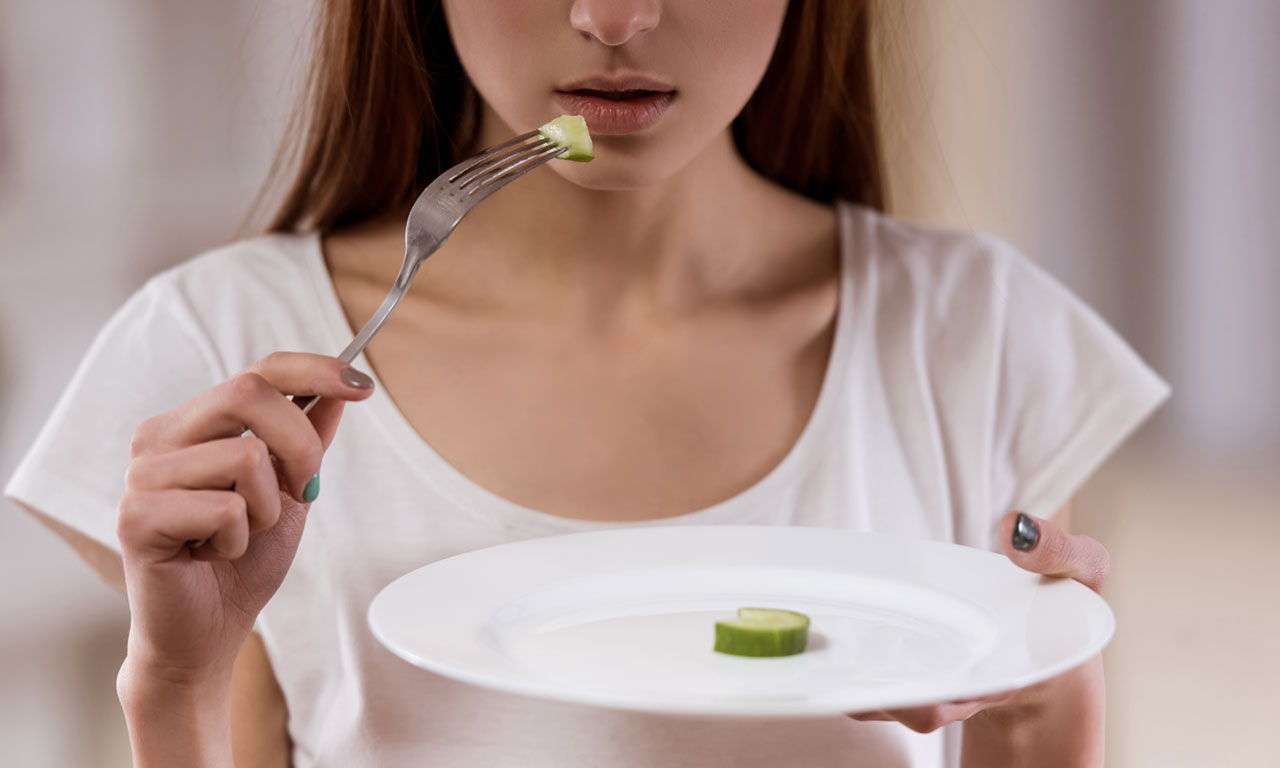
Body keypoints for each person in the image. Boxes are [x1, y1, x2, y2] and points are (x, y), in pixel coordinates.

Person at [5, 1, 1168, 766]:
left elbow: (1028, 718)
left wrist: (1033, 701)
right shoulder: (228, 345)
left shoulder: (971, 333)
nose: (614, 16)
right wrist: (177, 683)